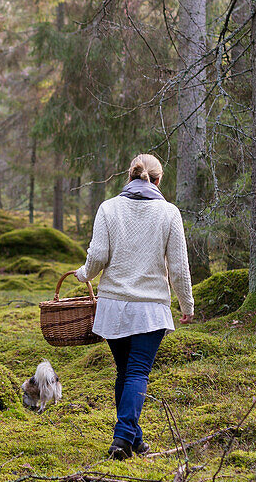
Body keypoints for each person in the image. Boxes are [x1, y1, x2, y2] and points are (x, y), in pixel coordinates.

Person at [73, 153, 194, 460]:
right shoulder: (169, 212)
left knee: (126, 372)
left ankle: (135, 440)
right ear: (158, 179)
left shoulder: (108, 208)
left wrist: (83, 275)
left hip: (113, 306)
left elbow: (98, 255)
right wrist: (187, 304)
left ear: (129, 176)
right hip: (150, 309)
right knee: (137, 371)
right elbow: (179, 267)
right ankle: (123, 437)